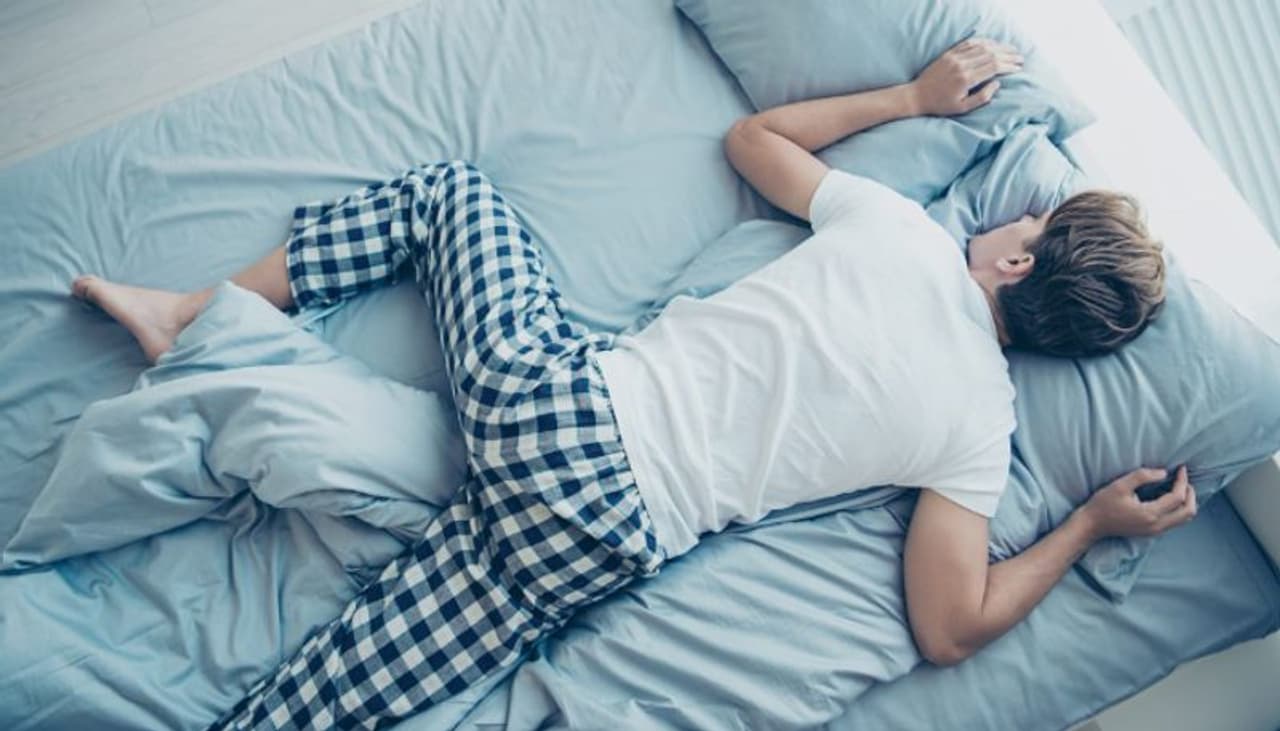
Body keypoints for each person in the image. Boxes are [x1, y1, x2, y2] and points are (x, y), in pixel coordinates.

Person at [70, 38, 1194, 730]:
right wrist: (1089, 522)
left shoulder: (900, 231)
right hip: (596, 538)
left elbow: (753, 139)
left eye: (1030, 221)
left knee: (449, 195)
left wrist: (909, 97)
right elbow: (948, 626)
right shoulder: (981, 427)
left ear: (1015, 261)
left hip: (551, 411)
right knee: (337, 695)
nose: (1012, 217)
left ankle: (191, 317)